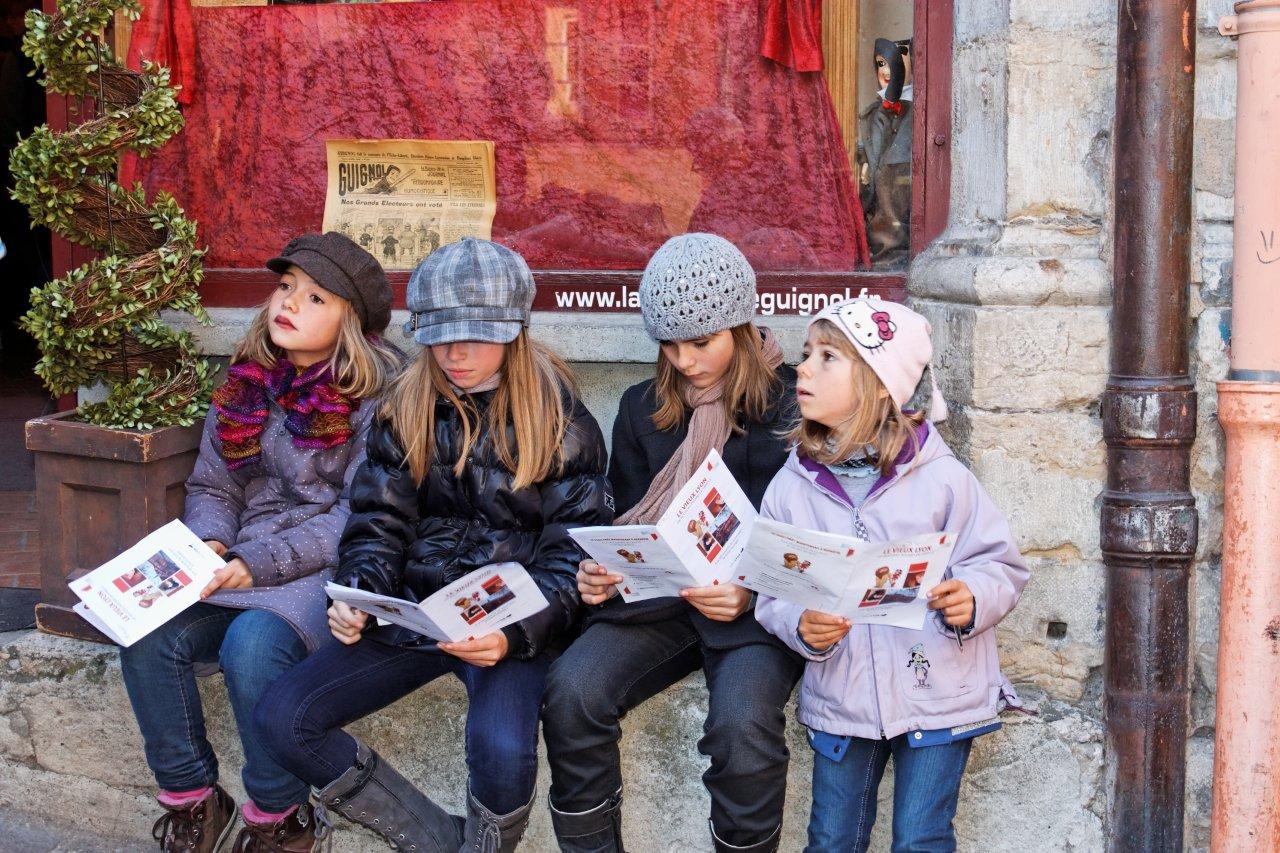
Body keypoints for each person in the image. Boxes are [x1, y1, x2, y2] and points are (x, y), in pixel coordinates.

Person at [254, 237, 612, 851]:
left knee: (502, 750)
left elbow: (572, 555)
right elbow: (376, 525)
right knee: (282, 718)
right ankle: (438, 842)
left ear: (514, 330)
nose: (456, 352)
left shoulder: (559, 418)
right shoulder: (407, 401)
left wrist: (512, 636)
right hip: (415, 616)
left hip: (511, 627)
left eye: (476, 334)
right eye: (442, 334)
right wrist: (359, 595)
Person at [118, 232, 399, 853]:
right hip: (242, 559)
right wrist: (212, 544)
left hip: (320, 568)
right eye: (285, 286)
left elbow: (364, 515)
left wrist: (258, 562)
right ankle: (194, 800)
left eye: (315, 297)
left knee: (251, 646)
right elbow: (213, 486)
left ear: (350, 321)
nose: (289, 303)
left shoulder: (377, 400)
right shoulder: (247, 383)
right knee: (143, 630)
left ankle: (280, 816)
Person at [543, 233, 803, 852]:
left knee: (742, 729)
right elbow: (624, 518)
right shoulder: (642, 407)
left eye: (701, 341)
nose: (685, 360)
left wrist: (748, 590)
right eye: (669, 343)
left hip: (755, 615)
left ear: (740, 325)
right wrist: (600, 573)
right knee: (572, 691)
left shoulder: (795, 402)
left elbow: (812, 536)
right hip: (656, 604)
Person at [754, 295, 1029, 852]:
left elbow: (999, 563)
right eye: (806, 353)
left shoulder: (944, 479)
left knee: (921, 839)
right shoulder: (790, 486)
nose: (802, 368)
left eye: (828, 357)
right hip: (843, 699)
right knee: (832, 839)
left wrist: (971, 597)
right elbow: (771, 589)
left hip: (940, 692)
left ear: (882, 384)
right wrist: (801, 625)